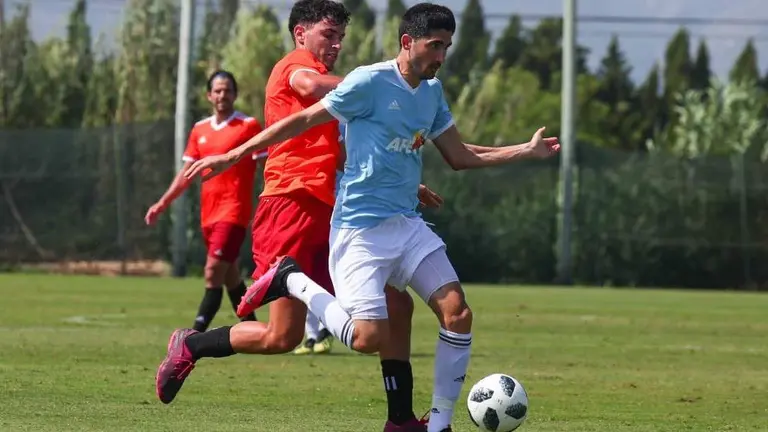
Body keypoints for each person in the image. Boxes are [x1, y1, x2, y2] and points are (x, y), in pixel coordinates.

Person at [185, 3, 561, 431]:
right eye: (434, 45)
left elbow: (458, 155)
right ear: (408, 42)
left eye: (447, 47)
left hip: (406, 224)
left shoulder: (432, 93)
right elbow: (303, 118)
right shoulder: (367, 81)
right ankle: (291, 280)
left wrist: (523, 152)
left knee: (457, 313)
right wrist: (233, 154)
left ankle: (437, 425)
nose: (441, 56)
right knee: (366, 339)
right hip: (360, 231)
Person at [155, 3, 434, 430]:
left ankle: (399, 420)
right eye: (328, 34)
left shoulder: (329, 93)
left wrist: (402, 183)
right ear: (301, 33)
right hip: (289, 207)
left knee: (397, 305)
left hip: (331, 214)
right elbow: (310, 84)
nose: (336, 44)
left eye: (340, 36)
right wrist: (381, 85)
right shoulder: (295, 66)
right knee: (280, 336)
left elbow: (339, 155)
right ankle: (192, 344)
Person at [145, 70, 262, 332]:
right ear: (209, 95)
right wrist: (163, 203)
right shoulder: (200, 130)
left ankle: (194, 335)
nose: (223, 95)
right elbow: (186, 174)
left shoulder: (248, 126)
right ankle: (253, 329)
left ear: (235, 94)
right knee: (230, 275)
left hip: (234, 212)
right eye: (218, 90)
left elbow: (266, 165)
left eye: (228, 90)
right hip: (209, 215)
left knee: (212, 272)